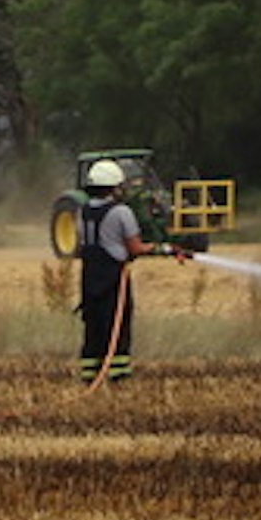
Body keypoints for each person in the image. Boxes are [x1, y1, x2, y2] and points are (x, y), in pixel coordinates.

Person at [77, 159, 190, 382]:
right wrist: (165, 249)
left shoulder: (82, 211)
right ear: (114, 187)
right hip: (113, 278)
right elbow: (135, 247)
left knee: (93, 327)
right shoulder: (122, 212)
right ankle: (118, 375)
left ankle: (90, 375)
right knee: (117, 327)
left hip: (89, 277)